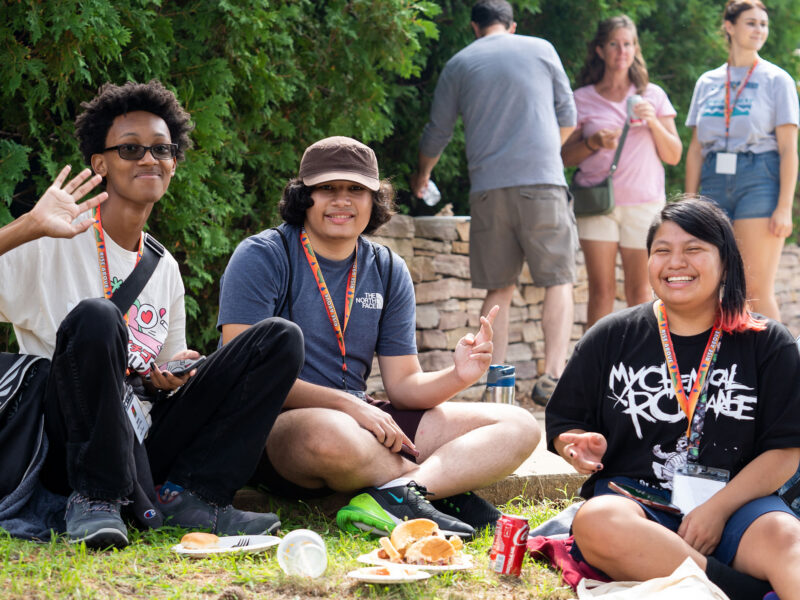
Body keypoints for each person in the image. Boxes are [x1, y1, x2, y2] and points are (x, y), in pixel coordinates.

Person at [0, 80, 304, 549]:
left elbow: (161, 359)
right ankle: (95, 499)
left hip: (138, 446)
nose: (148, 159)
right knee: (98, 317)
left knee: (279, 338)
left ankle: (191, 495)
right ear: (100, 164)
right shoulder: (48, 241)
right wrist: (27, 226)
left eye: (161, 149)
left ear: (174, 164)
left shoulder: (164, 267)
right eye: (130, 149)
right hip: (67, 445)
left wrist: (176, 371)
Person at [218, 136, 540, 538]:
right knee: (332, 434)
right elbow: (242, 374)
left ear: (375, 200)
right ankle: (441, 491)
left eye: (356, 189)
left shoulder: (387, 268)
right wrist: (349, 407)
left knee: (518, 425)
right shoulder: (264, 255)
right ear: (304, 196)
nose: (342, 201)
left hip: (363, 419)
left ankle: (403, 495)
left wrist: (459, 376)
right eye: (326, 189)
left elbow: (404, 387)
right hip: (279, 425)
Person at [546, 198, 800, 600]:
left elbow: (786, 449)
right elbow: (565, 426)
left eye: (694, 249)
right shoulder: (611, 335)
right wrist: (576, 445)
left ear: (726, 262)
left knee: (788, 539)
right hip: (636, 502)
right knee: (596, 521)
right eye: (662, 250)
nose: (675, 262)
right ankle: (743, 592)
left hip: (737, 503)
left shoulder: (767, 342)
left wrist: (716, 511)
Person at [410, 0, 577, 406]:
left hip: (489, 188)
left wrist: (423, 175)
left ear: (474, 27)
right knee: (558, 279)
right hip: (543, 183)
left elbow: (437, 132)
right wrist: (544, 157)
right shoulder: (541, 48)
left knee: (497, 287)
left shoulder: (459, 63)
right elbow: (569, 116)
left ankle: (497, 384)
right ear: (512, 25)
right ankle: (552, 376)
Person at [561, 15, 682, 329]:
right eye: (614, 44)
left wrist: (652, 121)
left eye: (627, 44)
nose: (621, 51)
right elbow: (562, 156)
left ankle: (642, 364)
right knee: (600, 292)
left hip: (644, 205)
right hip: (597, 204)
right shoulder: (582, 98)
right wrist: (592, 142)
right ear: (601, 50)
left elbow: (674, 155)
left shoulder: (652, 95)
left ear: (635, 49)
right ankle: (596, 370)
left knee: (640, 292)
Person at [685, 0, 799, 322]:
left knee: (754, 287)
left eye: (763, 24)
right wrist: (690, 201)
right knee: (710, 284)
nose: (759, 30)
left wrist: (784, 207)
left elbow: (789, 149)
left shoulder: (778, 80)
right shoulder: (707, 82)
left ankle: (780, 369)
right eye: (751, 23)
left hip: (759, 177)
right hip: (713, 179)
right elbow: (695, 148)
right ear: (729, 27)